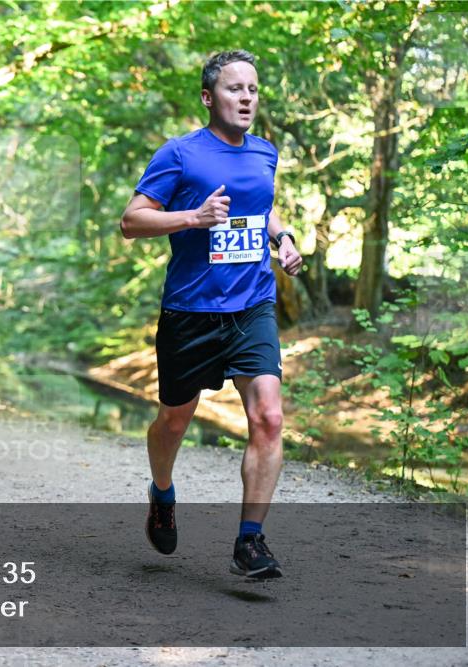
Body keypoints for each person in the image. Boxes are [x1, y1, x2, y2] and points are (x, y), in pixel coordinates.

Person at [120, 50, 303, 579]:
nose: (246, 98)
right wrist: (192, 218)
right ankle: (162, 492)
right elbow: (132, 221)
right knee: (175, 419)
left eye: (252, 89)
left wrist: (283, 238)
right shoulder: (179, 154)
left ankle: (250, 541)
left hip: (252, 305)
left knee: (268, 416)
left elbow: (261, 209)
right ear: (208, 97)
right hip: (191, 311)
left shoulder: (264, 153)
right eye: (234, 89)